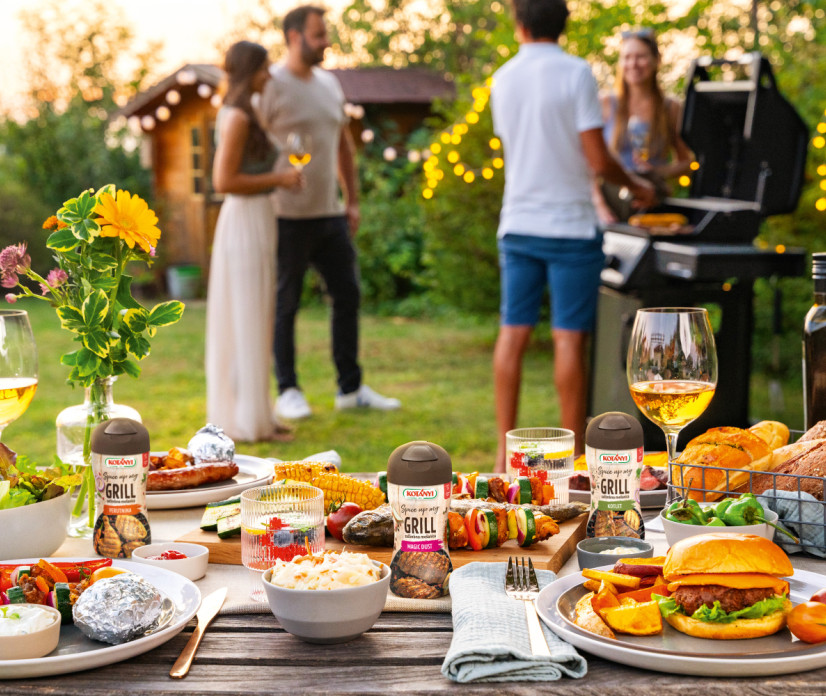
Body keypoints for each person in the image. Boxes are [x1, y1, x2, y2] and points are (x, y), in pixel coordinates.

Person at [490, 0, 657, 472]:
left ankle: (503, 455)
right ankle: (575, 459)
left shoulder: (503, 78)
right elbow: (598, 160)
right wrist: (639, 186)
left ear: (519, 22)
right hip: (570, 228)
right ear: (562, 23)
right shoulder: (577, 73)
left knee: (512, 334)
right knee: (568, 341)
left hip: (518, 224)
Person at [258, 4, 401, 420]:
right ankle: (288, 389)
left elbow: (343, 146)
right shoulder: (271, 85)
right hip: (285, 215)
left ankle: (350, 388)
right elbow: (252, 145)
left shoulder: (329, 83)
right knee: (286, 303)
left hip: (329, 214)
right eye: (319, 35)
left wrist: (351, 200)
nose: (326, 42)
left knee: (348, 294)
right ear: (294, 37)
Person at [206, 40, 304, 442]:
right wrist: (279, 178)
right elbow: (223, 181)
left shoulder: (248, 111)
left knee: (259, 317)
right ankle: (246, 421)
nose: (269, 75)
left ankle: (259, 412)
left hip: (259, 218)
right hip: (244, 221)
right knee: (247, 317)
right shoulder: (237, 118)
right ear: (250, 72)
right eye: (264, 68)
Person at [592, 28, 693, 224]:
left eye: (641, 57)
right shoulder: (605, 103)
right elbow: (589, 162)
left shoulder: (670, 108)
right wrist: (599, 207)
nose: (633, 64)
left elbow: (687, 163)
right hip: (611, 205)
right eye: (627, 57)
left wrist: (657, 172)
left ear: (656, 60)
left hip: (652, 204)